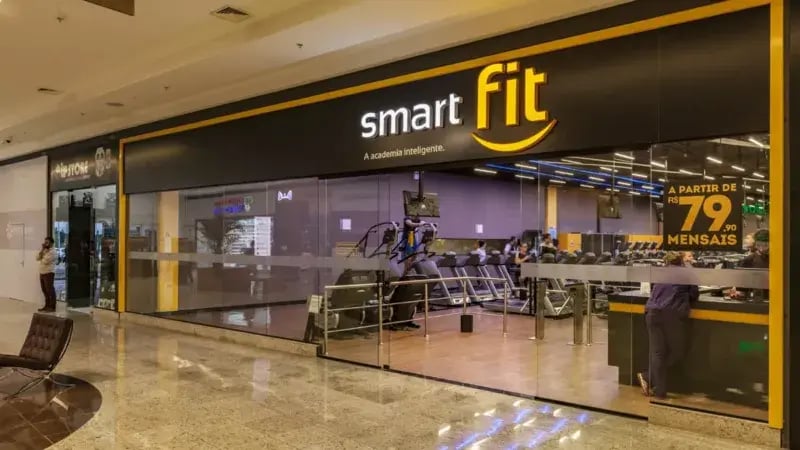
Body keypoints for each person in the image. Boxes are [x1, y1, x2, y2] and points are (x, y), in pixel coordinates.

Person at [637, 252, 699, 399]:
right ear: (681, 261)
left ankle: (658, 389)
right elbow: (694, 295)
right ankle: (649, 378)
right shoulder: (687, 274)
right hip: (671, 314)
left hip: (652, 313)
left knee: (658, 353)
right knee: (678, 351)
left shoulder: (661, 273)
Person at [36, 237, 58, 312]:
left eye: (47, 242)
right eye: (45, 242)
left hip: (49, 273)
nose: (45, 244)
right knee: (44, 290)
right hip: (42, 272)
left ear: (51, 243)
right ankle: (47, 305)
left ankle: (52, 307)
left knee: (50, 290)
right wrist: (42, 250)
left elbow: (45, 261)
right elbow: (37, 258)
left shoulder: (53, 252)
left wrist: (42, 256)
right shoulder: (45, 250)